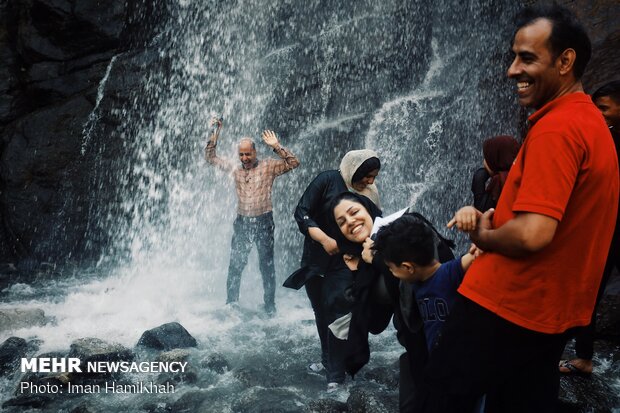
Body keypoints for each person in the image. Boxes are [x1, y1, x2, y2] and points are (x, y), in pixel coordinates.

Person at [421, 5, 618, 413]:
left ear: (566, 61)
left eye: (527, 57)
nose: (512, 70)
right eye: (514, 57)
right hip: (546, 313)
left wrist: (483, 235)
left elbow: (533, 233)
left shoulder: (557, 128)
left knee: (439, 400)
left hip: (505, 304)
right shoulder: (590, 122)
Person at [329, 191, 454, 412]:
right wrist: (361, 271)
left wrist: (376, 260)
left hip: (445, 335)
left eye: (354, 212)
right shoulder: (363, 259)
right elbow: (376, 324)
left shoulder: (407, 227)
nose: (350, 222)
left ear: (369, 209)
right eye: (342, 222)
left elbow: (435, 268)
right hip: (416, 347)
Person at [291, 149, 380, 392]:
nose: (370, 181)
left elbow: (376, 225)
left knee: (339, 314)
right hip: (316, 259)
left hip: (346, 262)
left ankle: (336, 374)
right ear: (355, 170)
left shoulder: (369, 194)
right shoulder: (327, 180)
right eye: (367, 175)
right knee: (321, 311)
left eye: (374, 176)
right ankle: (327, 360)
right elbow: (301, 212)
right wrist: (323, 239)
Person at [204, 118, 300, 315]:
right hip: (242, 223)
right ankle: (231, 305)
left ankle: (270, 307)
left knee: (266, 265)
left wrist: (276, 146)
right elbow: (211, 157)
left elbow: (293, 162)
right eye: (241, 154)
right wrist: (215, 131)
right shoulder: (234, 168)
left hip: (264, 221)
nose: (245, 157)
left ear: (255, 152)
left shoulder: (269, 166)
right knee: (236, 264)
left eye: (248, 153)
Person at [559, 79, 620, 375]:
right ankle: (583, 357)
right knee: (589, 290)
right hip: (607, 228)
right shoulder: (602, 137)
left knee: (589, 289)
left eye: (605, 108)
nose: (600, 113)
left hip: (609, 229)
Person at [471, 135, 521, 212]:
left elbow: (482, 212)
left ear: (496, 159)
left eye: (487, 157)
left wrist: (479, 176)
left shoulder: (499, 182)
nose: (484, 161)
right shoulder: (521, 174)